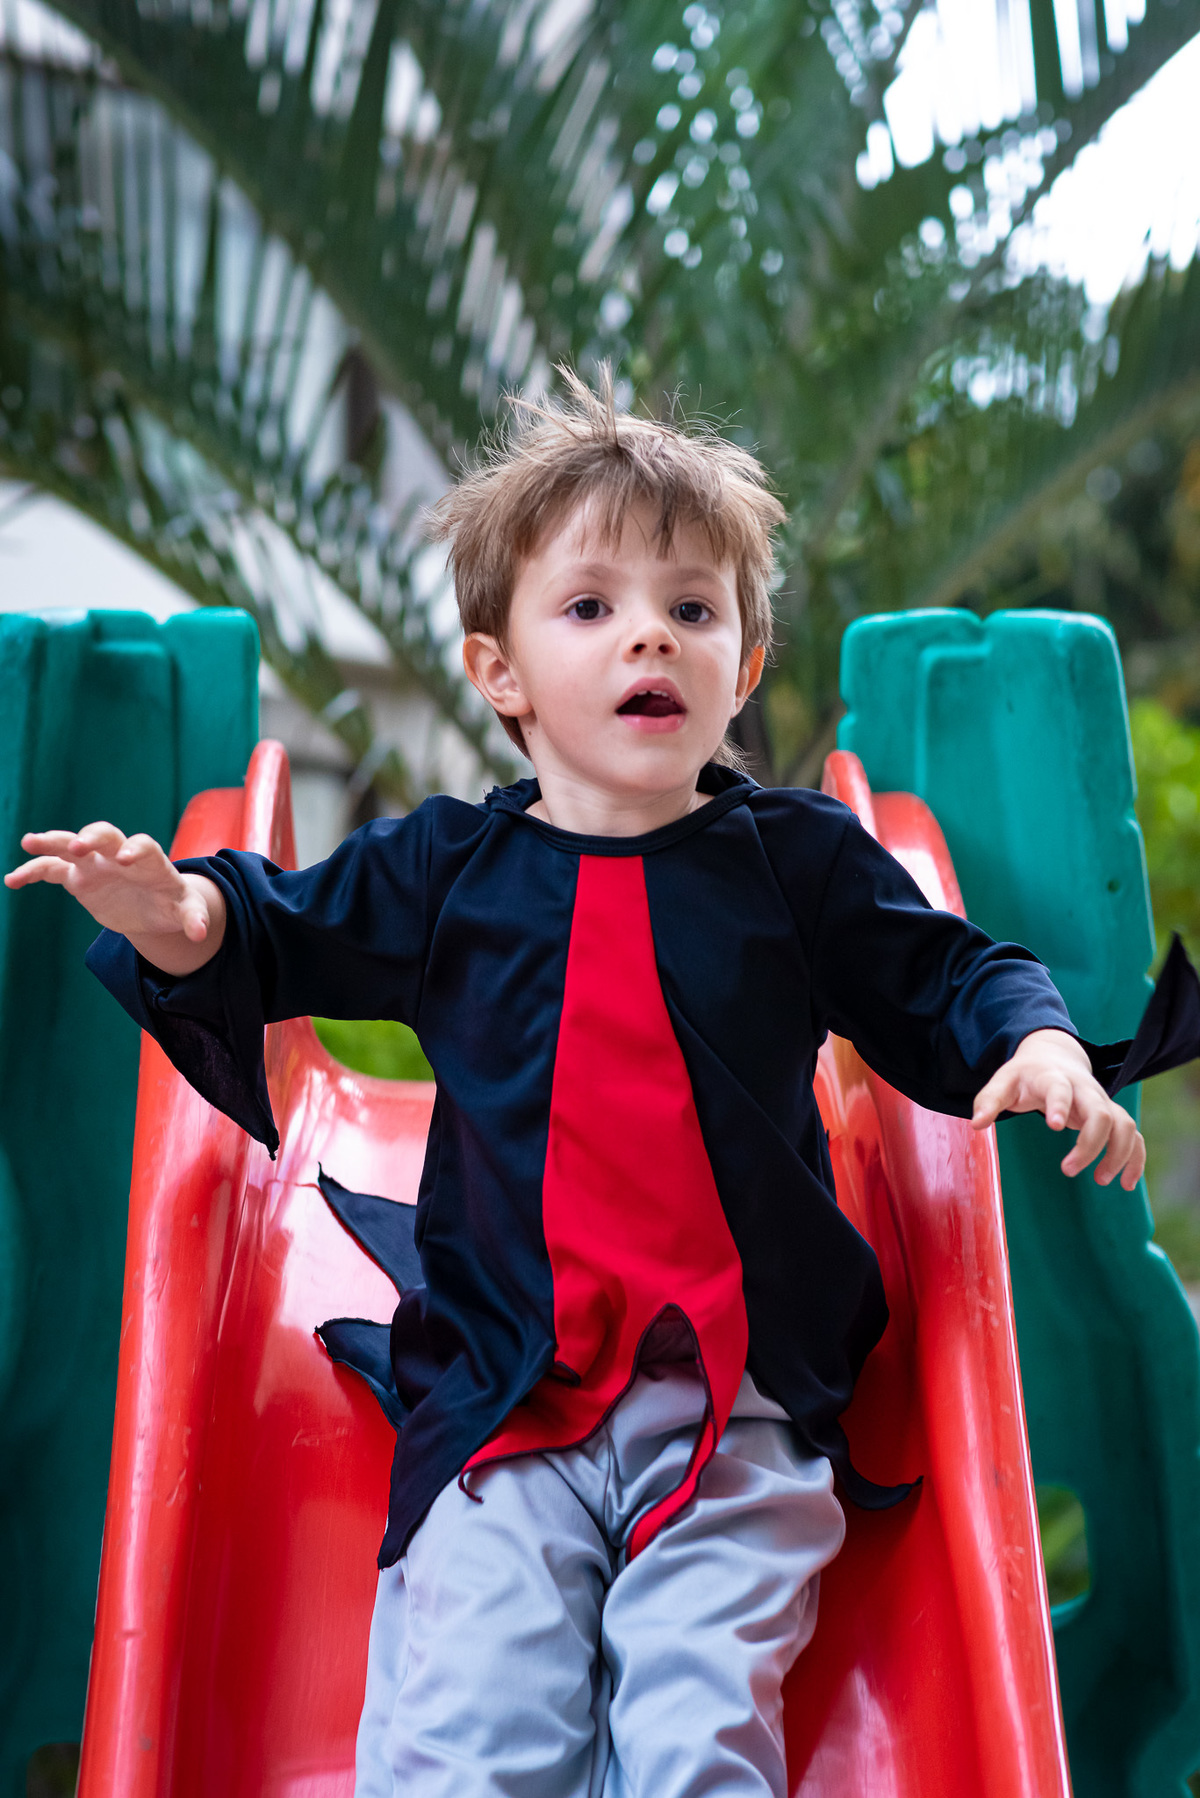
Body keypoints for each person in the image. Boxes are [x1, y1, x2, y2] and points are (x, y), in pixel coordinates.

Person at [5, 371, 1177, 1798]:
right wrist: (177, 912)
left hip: (735, 1406)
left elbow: (944, 971)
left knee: (697, 1729)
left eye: (692, 608)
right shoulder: (452, 871)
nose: (650, 634)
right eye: (590, 606)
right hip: (508, 1397)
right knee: (471, 1731)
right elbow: (278, 927)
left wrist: (1034, 1042)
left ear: (744, 663)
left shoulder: (794, 867)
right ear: (498, 670)